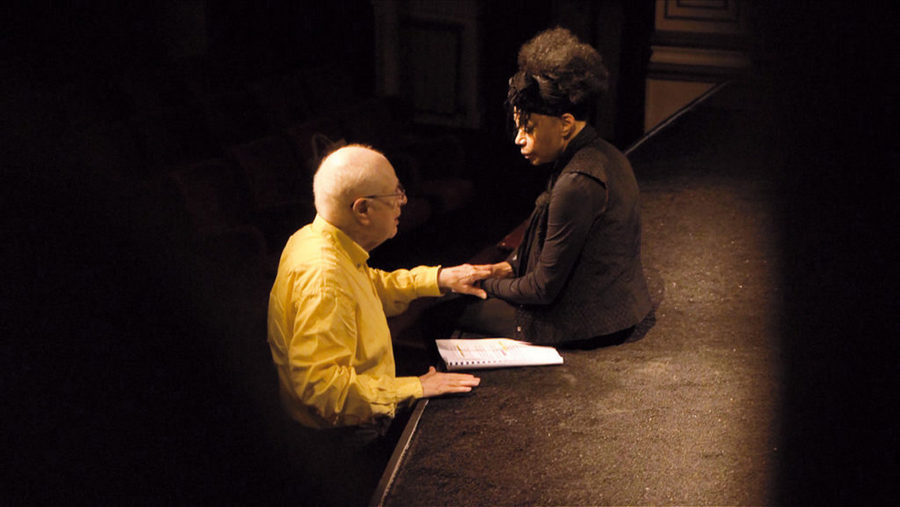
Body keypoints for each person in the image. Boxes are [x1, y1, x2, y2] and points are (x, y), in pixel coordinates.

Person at [266, 144, 487, 504]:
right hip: (344, 442)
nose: (403, 202)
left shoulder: (316, 239)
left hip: (351, 425)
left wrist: (439, 278)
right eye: (395, 194)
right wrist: (416, 386)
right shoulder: (323, 276)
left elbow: (369, 287)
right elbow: (323, 391)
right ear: (363, 209)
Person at [458, 26, 652, 347]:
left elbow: (542, 290)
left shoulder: (577, 182)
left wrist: (483, 284)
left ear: (565, 123)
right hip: (611, 312)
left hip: (584, 324)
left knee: (445, 311)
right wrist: (507, 268)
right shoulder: (606, 154)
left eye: (529, 128)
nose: (519, 139)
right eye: (518, 127)